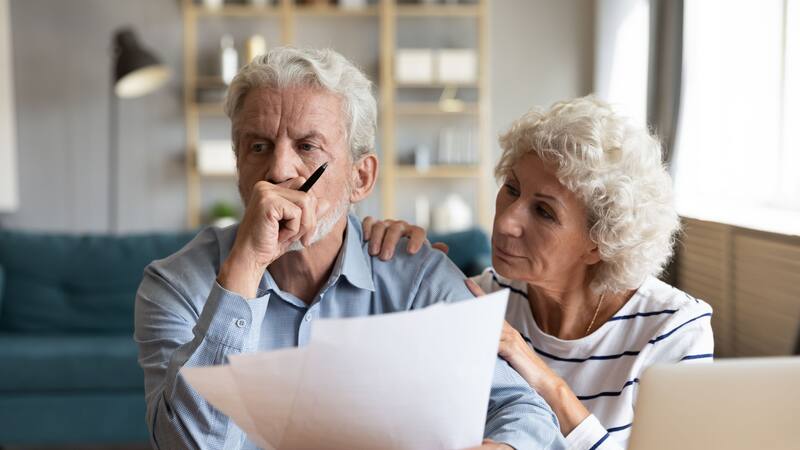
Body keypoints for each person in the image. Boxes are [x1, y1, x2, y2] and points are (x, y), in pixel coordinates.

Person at [134, 47, 566, 450]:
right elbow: (188, 444)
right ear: (238, 167)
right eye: (258, 147)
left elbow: (524, 411)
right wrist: (245, 266)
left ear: (361, 177)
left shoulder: (419, 280)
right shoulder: (175, 285)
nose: (279, 170)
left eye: (307, 147)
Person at [363, 96, 714, 450]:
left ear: (599, 242)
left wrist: (544, 379)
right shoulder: (484, 298)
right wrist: (401, 274)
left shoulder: (674, 328)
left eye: (544, 212)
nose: (506, 221)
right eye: (512, 189)